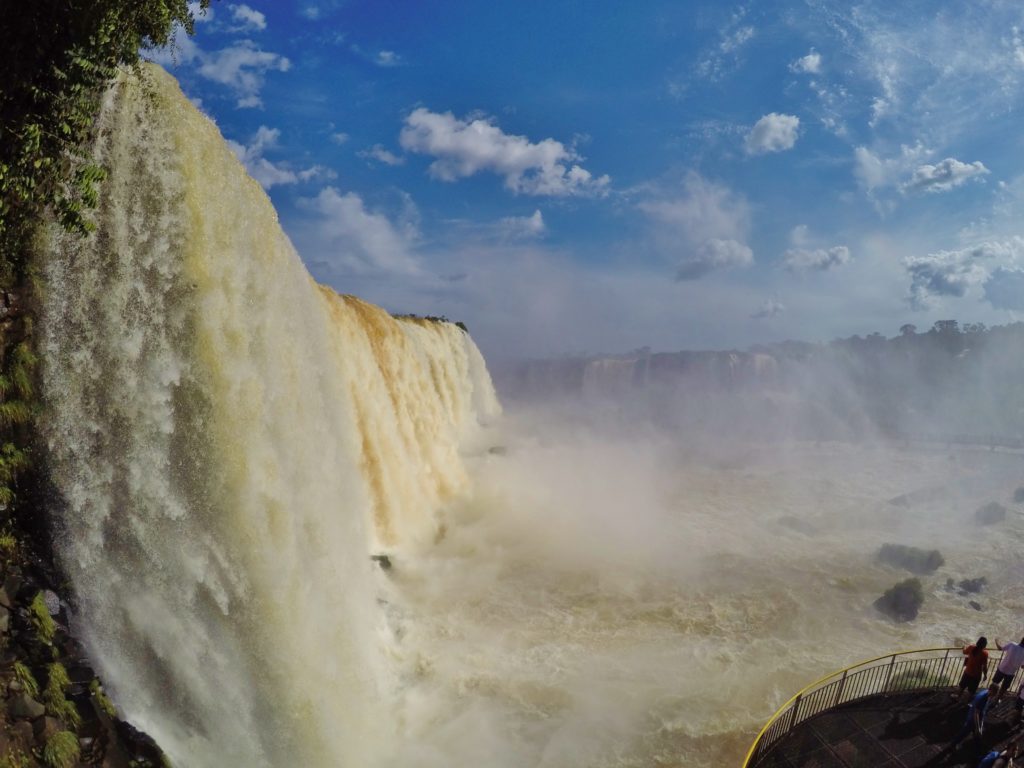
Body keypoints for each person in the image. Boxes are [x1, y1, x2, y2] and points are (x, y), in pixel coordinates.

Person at [952, 683, 999, 749]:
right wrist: (978, 727)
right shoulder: (983, 698)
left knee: (973, 734)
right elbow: (976, 713)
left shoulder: (985, 693)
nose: (995, 694)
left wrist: (980, 726)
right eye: (995, 692)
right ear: (991, 690)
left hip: (975, 718)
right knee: (964, 733)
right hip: (973, 720)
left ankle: (975, 745)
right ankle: (953, 744)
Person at [956, 637, 991, 703]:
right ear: (984, 645)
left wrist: (964, 647)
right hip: (976, 675)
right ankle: (967, 702)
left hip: (968, 672)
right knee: (971, 691)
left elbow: (964, 652)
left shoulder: (971, 647)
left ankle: (958, 698)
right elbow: (984, 666)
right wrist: (985, 675)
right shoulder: (985, 653)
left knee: (962, 686)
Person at [993, 636, 1024, 701]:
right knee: (1003, 689)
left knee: (994, 684)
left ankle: (989, 697)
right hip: (1011, 673)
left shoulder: (1012, 644)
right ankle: (997, 700)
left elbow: (1000, 648)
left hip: (1002, 669)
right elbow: (1022, 666)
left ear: (1021, 640)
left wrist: (996, 641)